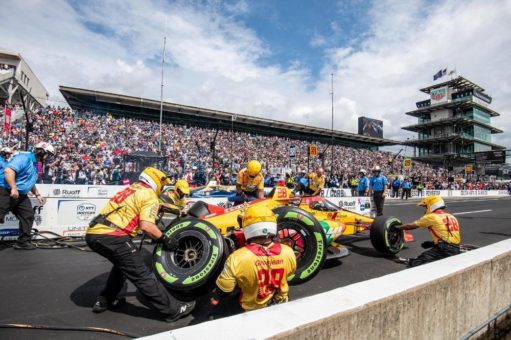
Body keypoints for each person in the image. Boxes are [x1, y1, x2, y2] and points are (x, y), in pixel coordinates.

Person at [85, 167, 195, 322]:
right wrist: (165, 239)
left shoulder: (131, 189)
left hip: (93, 233)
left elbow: (148, 207)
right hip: (113, 235)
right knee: (142, 274)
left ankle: (105, 301)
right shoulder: (149, 194)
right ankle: (173, 310)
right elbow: (147, 226)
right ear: (156, 181)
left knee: (121, 266)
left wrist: (173, 210)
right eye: (162, 186)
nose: (162, 189)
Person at [210, 205, 296, 311]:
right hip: (281, 304)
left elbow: (224, 289)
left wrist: (215, 298)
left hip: (251, 310)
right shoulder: (288, 251)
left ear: (248, 228)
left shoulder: (237, 258)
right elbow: (290, 274)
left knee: (215, 309)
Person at [0, 142, 52, 250]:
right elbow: (8, 171)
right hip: (6, 191)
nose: (49, 157)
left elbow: (30, 182)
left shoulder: (35, 164)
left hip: (21, 195)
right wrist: (13, 187)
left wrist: (37, 194)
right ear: (41, 152)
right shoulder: (24, 158)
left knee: (28, 215)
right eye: (49, 154)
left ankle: (22, 242)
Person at [394, 196, 461, 267]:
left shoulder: (431, 217)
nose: (426, 209)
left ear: (432, 205)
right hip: (456, 248)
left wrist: (397, 228)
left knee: (417, 263)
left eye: (426, 207)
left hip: (445, 249)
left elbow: (411, 226)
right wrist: (433, 243)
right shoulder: (451, 216)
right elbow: (449, 235)